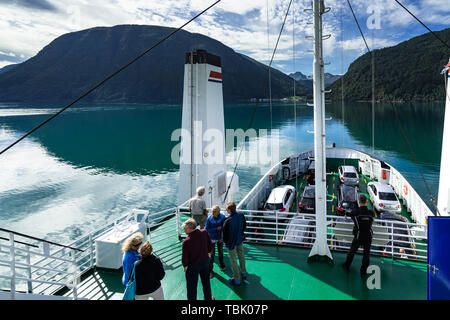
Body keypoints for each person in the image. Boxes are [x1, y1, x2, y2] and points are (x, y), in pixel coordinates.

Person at [342, 194, 375, 277]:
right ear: (367, 202)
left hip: (358, 235)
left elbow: (350, 214)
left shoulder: (355, 212)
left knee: (352, 251)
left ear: (359, 202)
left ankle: (346, 266)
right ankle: (363, 271)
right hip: (368, 235)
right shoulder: (371, 213)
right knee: (366, 254)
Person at [181, 218, 213, 300]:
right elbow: (210, 243)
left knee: (191, 288)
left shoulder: (186, 241)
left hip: (193, 267)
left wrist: (185, 266)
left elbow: (185, 257)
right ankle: (208, 298)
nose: (184, 230)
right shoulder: (204, 232)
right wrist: (208, 252)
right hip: (205, 263)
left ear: (189, 228)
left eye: (184, 228)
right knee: (206, 283)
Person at [223, 201, 247, 286]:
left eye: (227, 209)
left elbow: (225, 235)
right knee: (241, 256)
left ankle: (237, 280)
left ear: (229, 210)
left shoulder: (227, 220)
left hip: (231, 243)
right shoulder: (241, 215)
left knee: (233, 261)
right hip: (239, 240)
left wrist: (226, 242)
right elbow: (244, 226)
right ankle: (244, 273)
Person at [205, 205, 226, 277]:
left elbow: (225, 225)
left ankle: (222, 265)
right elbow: (207, 229)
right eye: (212, 211)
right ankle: (210, 270)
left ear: (219, 212)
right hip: (212, 239)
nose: (212, 213)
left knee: (221, 252)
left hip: (220, 237)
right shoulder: (209, 219)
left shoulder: (222, 217)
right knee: (212, 255)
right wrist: (216, 229)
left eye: (214, 212)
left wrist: (222, 228)